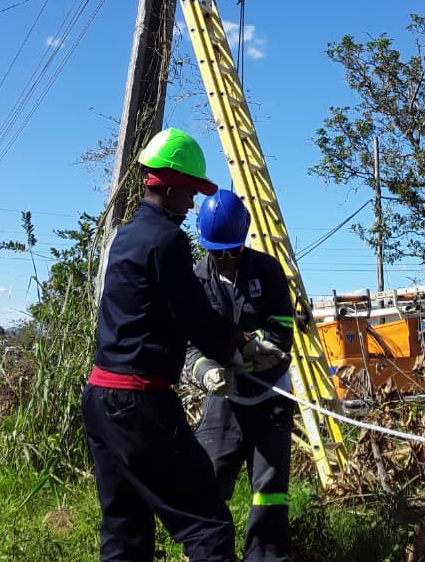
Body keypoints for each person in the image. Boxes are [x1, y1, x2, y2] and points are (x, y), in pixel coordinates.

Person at [82, 128, 281, 562]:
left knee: (123, 531)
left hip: (101, 401)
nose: (192, 204)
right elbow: (191, 314)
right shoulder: (167, 241)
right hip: (141, 406)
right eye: (189, 192)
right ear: (169, 187)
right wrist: (236, 346)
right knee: (207, 526)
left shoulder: (126, 235)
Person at [187, 189, 294, 562]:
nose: (223, 260)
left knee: (269, 489)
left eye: (230, 252)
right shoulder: (197, 279)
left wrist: (257, 348)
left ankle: (265, 556)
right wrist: (205, 371)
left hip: (270, 396)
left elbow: (283, 329)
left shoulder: (268, 271)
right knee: (206, 479)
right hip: (226, 398)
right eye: (215, 252)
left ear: (242, 243)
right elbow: (189, 344)